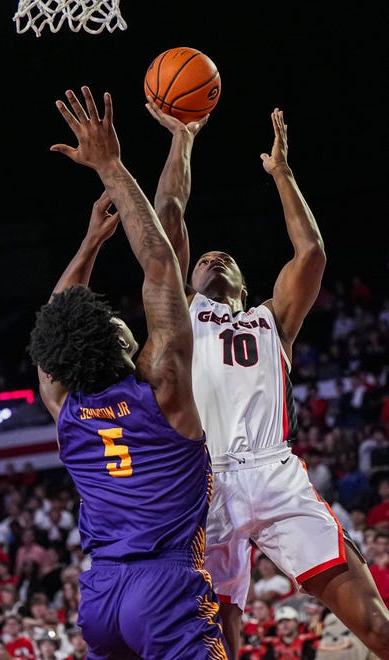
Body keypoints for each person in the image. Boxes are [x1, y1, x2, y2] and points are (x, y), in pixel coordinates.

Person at [145, 97, 389, 658]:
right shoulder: (178, 315)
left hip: (275, 472)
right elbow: (169, 218)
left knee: (375, 625)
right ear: (190, 276)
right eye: (204, 258)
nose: (215, 257)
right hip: (207, 483)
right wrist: (182, 139)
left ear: (245, 281)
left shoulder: (271, 320)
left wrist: (282, 174)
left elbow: (311, 253)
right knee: (218, 641)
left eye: (225, 257)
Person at [27, 85, 228, 660]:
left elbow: (54, 323)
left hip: (102, 597)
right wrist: (110, 167)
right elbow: (161, 261)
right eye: (119, 323)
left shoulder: (64, 408)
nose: (125, 323)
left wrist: (90, 243)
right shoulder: (164, 389)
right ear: (118, 341)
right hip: (165, 588)